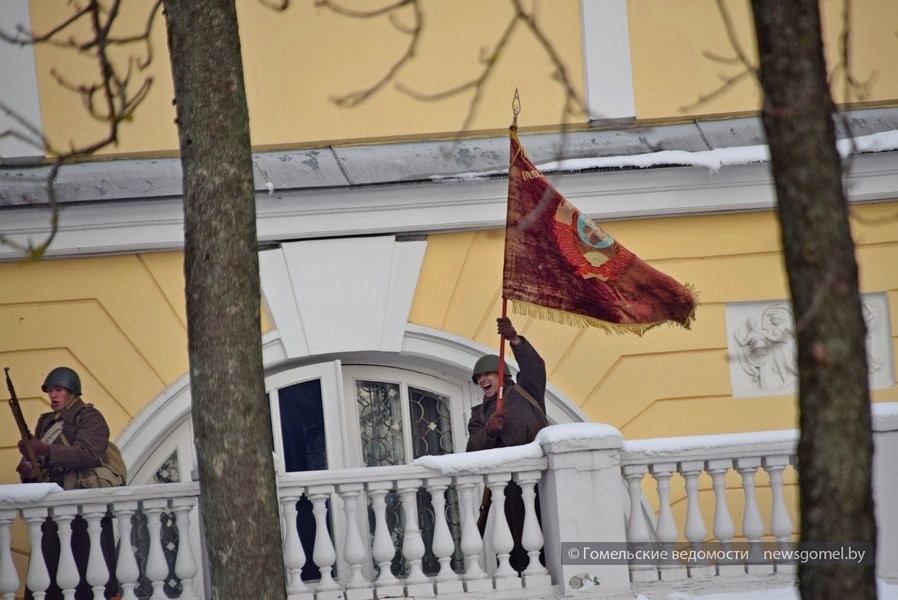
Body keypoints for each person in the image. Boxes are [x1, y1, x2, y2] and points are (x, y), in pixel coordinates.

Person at [16, 366, 120, 600]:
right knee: (49, 578)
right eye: (50, 391)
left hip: (83, 508)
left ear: (72, 392)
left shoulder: (90, 418)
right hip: (53, 508)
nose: (53, 396)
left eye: (59, 390)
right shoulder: (45, 422)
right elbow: (42, 464)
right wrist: (30, 468)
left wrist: (45, 449)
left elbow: (87, 454)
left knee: (89, 576)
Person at [467, 317, 548, 572]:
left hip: (539, 478)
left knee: (547, 533)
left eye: (488, 374)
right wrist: (489, 430)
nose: (482, 380)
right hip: (506, 487)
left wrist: (515, 340)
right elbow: (472, 449)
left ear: (502, 374)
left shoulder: (527, 390)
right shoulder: (478, 414)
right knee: (515, 542)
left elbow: (535, 366)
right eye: (478, 377)